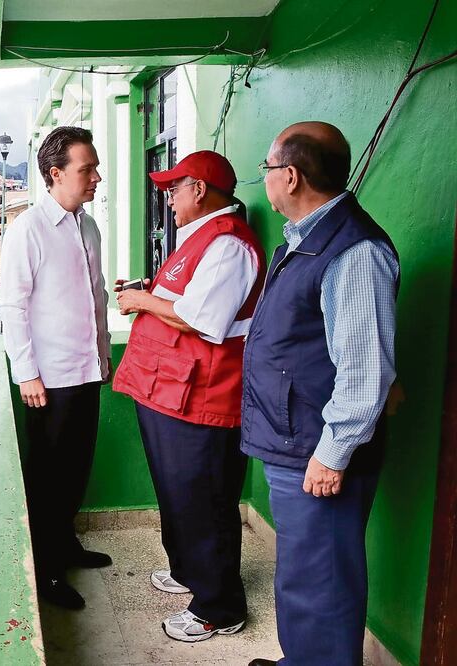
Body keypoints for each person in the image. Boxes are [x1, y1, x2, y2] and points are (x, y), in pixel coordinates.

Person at [243, 122, 399, 666]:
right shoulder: (308, 239)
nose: (265, 178)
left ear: (290, 176)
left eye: (267, 168)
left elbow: (365, 369)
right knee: (303, 576)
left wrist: (333, 454)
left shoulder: (352, 251)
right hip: (298, 440)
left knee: (323, 585)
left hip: (318, 448)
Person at [111, 150, 265, 642]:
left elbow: (203, 319)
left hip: (202, 398)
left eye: (174, 189)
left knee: (204, 501)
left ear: (199, 190)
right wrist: (149, 292)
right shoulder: (200, 236)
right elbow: (184, 299)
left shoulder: (229, 243)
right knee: (177, 493)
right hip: (168, 389)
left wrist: (141, 300)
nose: (169, 199)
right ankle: (188, 571)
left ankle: (219, 607)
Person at [0, 125, 113, 610]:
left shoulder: (88, 227)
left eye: (95, 168)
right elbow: (11, 304)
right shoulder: (29, 228)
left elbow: (96, 296)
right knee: (48, 481)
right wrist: (27, 372)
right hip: (49, 381)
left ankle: (66, 546)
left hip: (87, 372)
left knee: (77, 469)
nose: (96, 177)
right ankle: (45, 570)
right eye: (87, 169)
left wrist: (103, 354)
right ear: (55, 173)